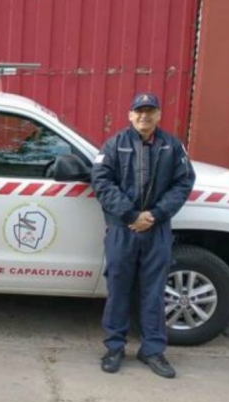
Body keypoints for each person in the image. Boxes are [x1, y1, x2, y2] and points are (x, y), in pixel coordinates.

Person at [90, 93, 195, 378]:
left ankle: (153, 350)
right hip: (123, 229)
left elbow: (184, 182)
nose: (144, 116)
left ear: (159, 115)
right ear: (130, 114)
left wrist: (155, 215)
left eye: (150, 111)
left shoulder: (172, 147)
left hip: (156, 229)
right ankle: (114, 348)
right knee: (118, 289)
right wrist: (130, 215)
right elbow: (100, 180)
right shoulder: (114, 145)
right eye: (139, 111)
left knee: (154, 291)